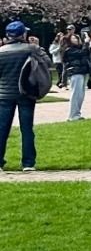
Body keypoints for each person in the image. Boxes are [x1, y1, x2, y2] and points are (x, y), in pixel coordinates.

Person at [0, 21, 40, 171]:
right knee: (27, 129)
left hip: (4, 94)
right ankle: (28, 162)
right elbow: (45, 63)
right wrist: (37, 46)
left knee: (2, 128)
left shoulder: (1, 52)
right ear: (23, 34)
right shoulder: (30, 49)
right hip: (26, 93)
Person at [61, 30, 91, 120]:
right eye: (73, 38)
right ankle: (73, 115)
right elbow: (83, 53)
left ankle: (77, 114)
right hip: (75, 72)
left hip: (81, 72)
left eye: (77, 38)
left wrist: (88, 42)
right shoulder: (69, 50)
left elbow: (87, 52)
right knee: (76, 95)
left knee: (80, 95)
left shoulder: (79, 48)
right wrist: (86, 43)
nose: (76, 39)